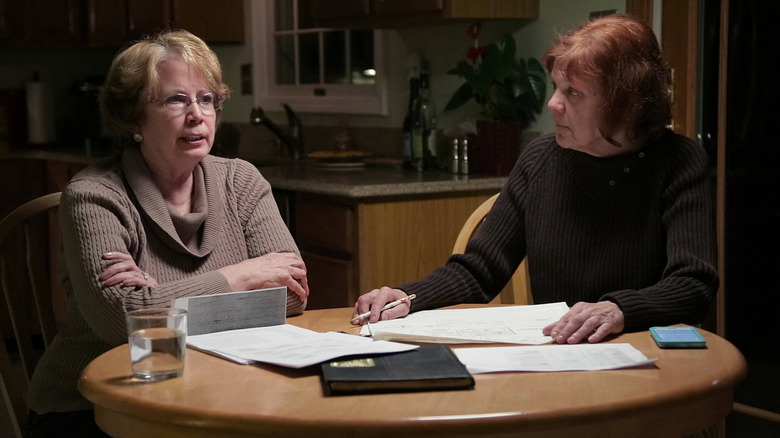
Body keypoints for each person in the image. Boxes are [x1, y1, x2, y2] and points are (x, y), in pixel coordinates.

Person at [352, 14, 717, 346]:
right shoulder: (541, 157)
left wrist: (619, 309)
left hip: (643, 354)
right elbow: (481, 270)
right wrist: (407, 296)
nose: (553, 104)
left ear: (627, 104)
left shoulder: (677, 161)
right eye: (556, 87)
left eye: (573, 92)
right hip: (560, 354)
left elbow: (692, 283)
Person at [26, 30, 308, 436]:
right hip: (94, 403)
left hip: (216, 387)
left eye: (207, 99)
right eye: (177, 99)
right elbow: (117, 321)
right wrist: (242, 276)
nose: (197, 114)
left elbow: (291, 298)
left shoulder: (241, 181)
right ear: (133, 116)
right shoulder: (94, 194)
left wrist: (158, 300)